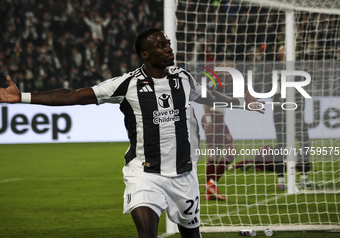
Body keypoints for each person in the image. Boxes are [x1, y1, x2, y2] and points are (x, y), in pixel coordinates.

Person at [0, 28, 263, 238]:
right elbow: (72, 96)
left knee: (191, 233)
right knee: (146, 232)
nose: (169, 48)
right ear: (145, 54)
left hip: (184, 174)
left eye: (168, 43)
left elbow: (206, 95)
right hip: (144, 174)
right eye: (161, 45)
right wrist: (22, 96)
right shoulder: (126, 84)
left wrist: (241, 103)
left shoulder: (182, 77)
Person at [273, 45, 313, 190]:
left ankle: (304, 176)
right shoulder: (277, 69)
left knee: (305, 141)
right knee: (281, 145)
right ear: (281, 54)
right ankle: (281, 179)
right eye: (287, 50)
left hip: (296, 113)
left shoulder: (297, 69)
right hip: (281, 112)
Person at [201, 68, 237, 201]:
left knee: (214, 154)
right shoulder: (213, 81)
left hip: (216, 118)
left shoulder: (222, 81)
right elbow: (206, 99)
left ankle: (209, 192)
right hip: (214, 119)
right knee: (231, 151)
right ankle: (211, 184)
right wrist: (209, 119)